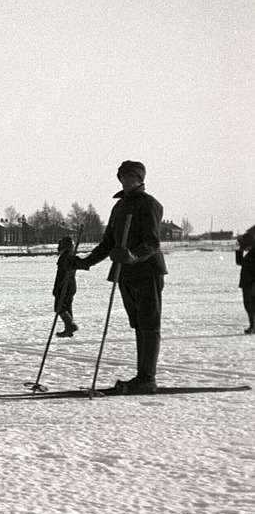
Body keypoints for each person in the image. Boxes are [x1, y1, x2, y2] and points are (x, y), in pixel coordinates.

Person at [74, 160, 167, 393]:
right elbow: (108, 243)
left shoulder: (149, 204)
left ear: (140, 178)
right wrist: (84, 263)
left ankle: (147, 378)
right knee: (138, 324)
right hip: (124, 274)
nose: (126, 180)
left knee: (148, 324)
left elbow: (153, 242)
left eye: (131, 176)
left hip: (147, 271)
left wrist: (133, 256)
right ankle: (143, 376)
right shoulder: (119, 206)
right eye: (123, 176)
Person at [53, 235, 79, 337]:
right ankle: (69, 329)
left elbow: (61, 274)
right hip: (71, 285)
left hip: (65, 285)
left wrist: (57, 288)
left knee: (59, 307)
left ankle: (70, 325)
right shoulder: (72, 255)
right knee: (67, 306)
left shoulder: (64, 258)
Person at [235, 226, 255, 334]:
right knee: (248, 305)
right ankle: (252, 326)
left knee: (252, 306)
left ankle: (253, 326)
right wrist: (240, 251)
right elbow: (240, 262)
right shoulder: (250, 253)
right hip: (246, 283)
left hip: (252, 284)